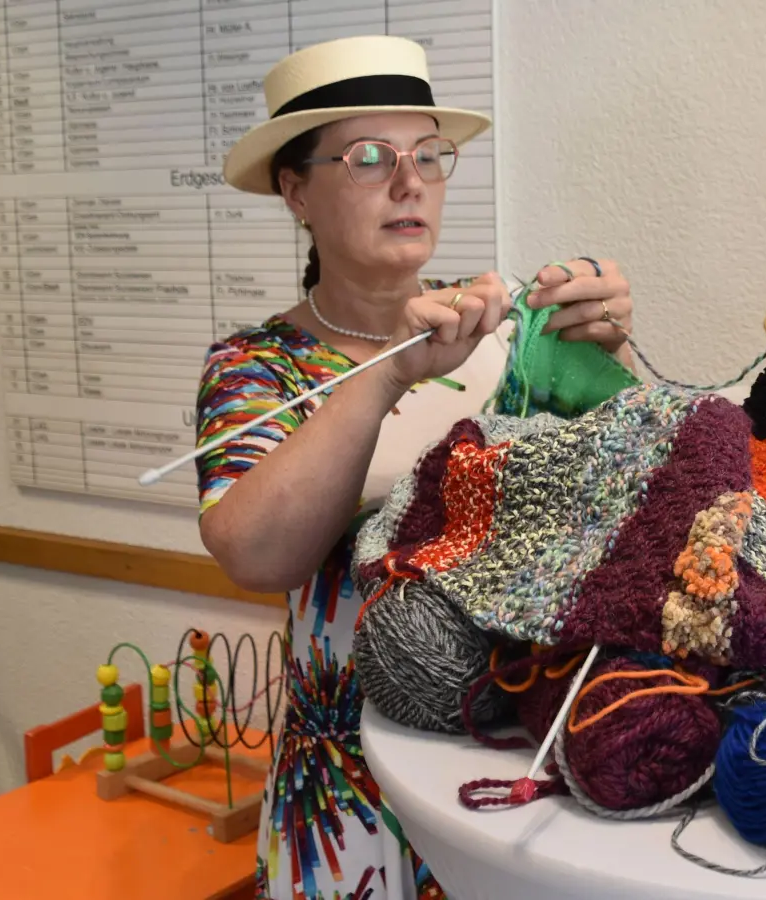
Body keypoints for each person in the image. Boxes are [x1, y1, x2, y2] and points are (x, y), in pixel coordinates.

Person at [197, 35, 637, 900]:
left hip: (502, 759)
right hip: (345, 795)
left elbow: (631, 500)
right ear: (295, 191)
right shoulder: (258, 370)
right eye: (370, 158)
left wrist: (603, 358)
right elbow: (257, 554)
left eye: (430, 156)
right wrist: (391, 376)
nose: (410, 182)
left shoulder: (503, 337)